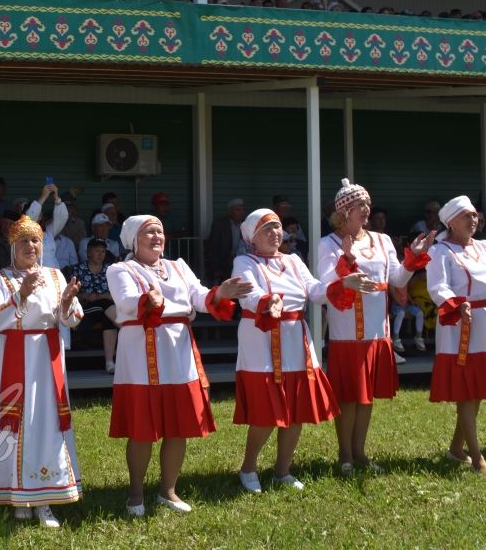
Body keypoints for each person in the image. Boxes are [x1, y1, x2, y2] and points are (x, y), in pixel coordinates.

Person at [107, 215, 251, 516]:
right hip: (141, 354)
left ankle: (168, 490)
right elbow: (126, 302)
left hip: (178, 351)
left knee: (178, 427)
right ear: (134, 238)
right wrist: (150, 298)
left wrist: (220, 292)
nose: (157, 236)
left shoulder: (177, 266)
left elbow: (198, 296)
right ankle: (135, 494)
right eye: (149, 232)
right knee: (141, 428)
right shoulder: (121, 269)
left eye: (160, 231)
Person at [232, 209, 367, 493]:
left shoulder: (293, 260)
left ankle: (283, 470)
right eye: (266, 228)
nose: (275, 232)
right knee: (266, 411)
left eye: (277, 227)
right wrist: (268, 301)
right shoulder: (244, 261)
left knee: (295, 410)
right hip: (262, 341)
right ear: (252, 236)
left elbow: (314, 290)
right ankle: (249, 467)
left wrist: (342, 282)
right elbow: (247, 294)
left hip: (295, 340)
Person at [318, 179, 434, 474]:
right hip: (347, 330)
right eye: (360, 205)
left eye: (367, 204)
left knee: (366, 395)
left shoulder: (381, 241)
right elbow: (326, 282)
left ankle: (360, 453)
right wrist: (345, 258)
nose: (366, 209)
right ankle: (345, 455)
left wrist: (413, 258)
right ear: (343, 212)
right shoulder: (328, 243)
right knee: (349, 395)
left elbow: (396, 280)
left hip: (376, 330)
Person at [0, 215, 83, 527]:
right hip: (13, 355)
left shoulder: (55, 275)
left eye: (35, 240)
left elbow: (72, 319)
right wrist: (20, 294)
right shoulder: (0, 278)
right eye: (23, 240)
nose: (30, 246)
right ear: (12, 246)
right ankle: (15, 494)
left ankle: (43, 498)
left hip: (46, 357)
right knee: (14, 421)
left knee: (46, 421)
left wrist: (66, 303)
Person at [427, 196, 486, 481]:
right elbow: (437, 287)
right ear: (451, 222)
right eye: (466, 216)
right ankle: (477, 458)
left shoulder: (485, 247)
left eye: (475, 215)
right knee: (467, 389)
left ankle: (455, 449)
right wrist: (455, 304)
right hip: (461, 324)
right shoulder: (441, 252)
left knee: (480, 388)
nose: (473, 220)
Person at [71, 238, 118, 373]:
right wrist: (85, 296)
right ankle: (126, 326)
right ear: (88, 253)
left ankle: (109, 363)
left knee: (106, 315)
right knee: (103, 306)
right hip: (86, 310)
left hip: (107, 310)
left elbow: (118, 293)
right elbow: (70, 295)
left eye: (103, 251)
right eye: (97, 251)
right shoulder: (78, 269)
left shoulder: (111, 270)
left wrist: (99, 296)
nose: (100, 254)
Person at [205, 198, 246, 284]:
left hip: (241, 263)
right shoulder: (219, 225)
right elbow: (213, 247)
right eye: (238, 210)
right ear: (230, 212)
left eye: (242, 209)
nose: (241, 212)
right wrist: (216, 269)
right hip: (224, 264)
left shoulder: (246, 225)